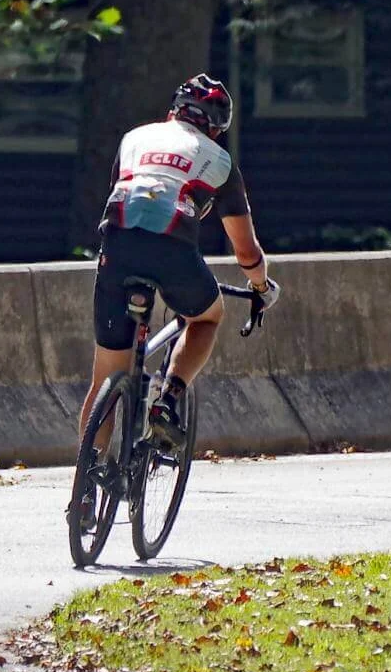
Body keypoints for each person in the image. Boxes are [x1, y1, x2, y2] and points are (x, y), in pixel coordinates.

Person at [82, 73, 275, 454]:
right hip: (173, 250)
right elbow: (246, 252)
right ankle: (167, 399)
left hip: (117, 246)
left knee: (105, 375)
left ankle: (85, 495)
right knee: (206, 316)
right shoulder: (219, 160)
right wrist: (261, 287)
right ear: (217, 129)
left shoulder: (134, 137)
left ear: (174, 111)